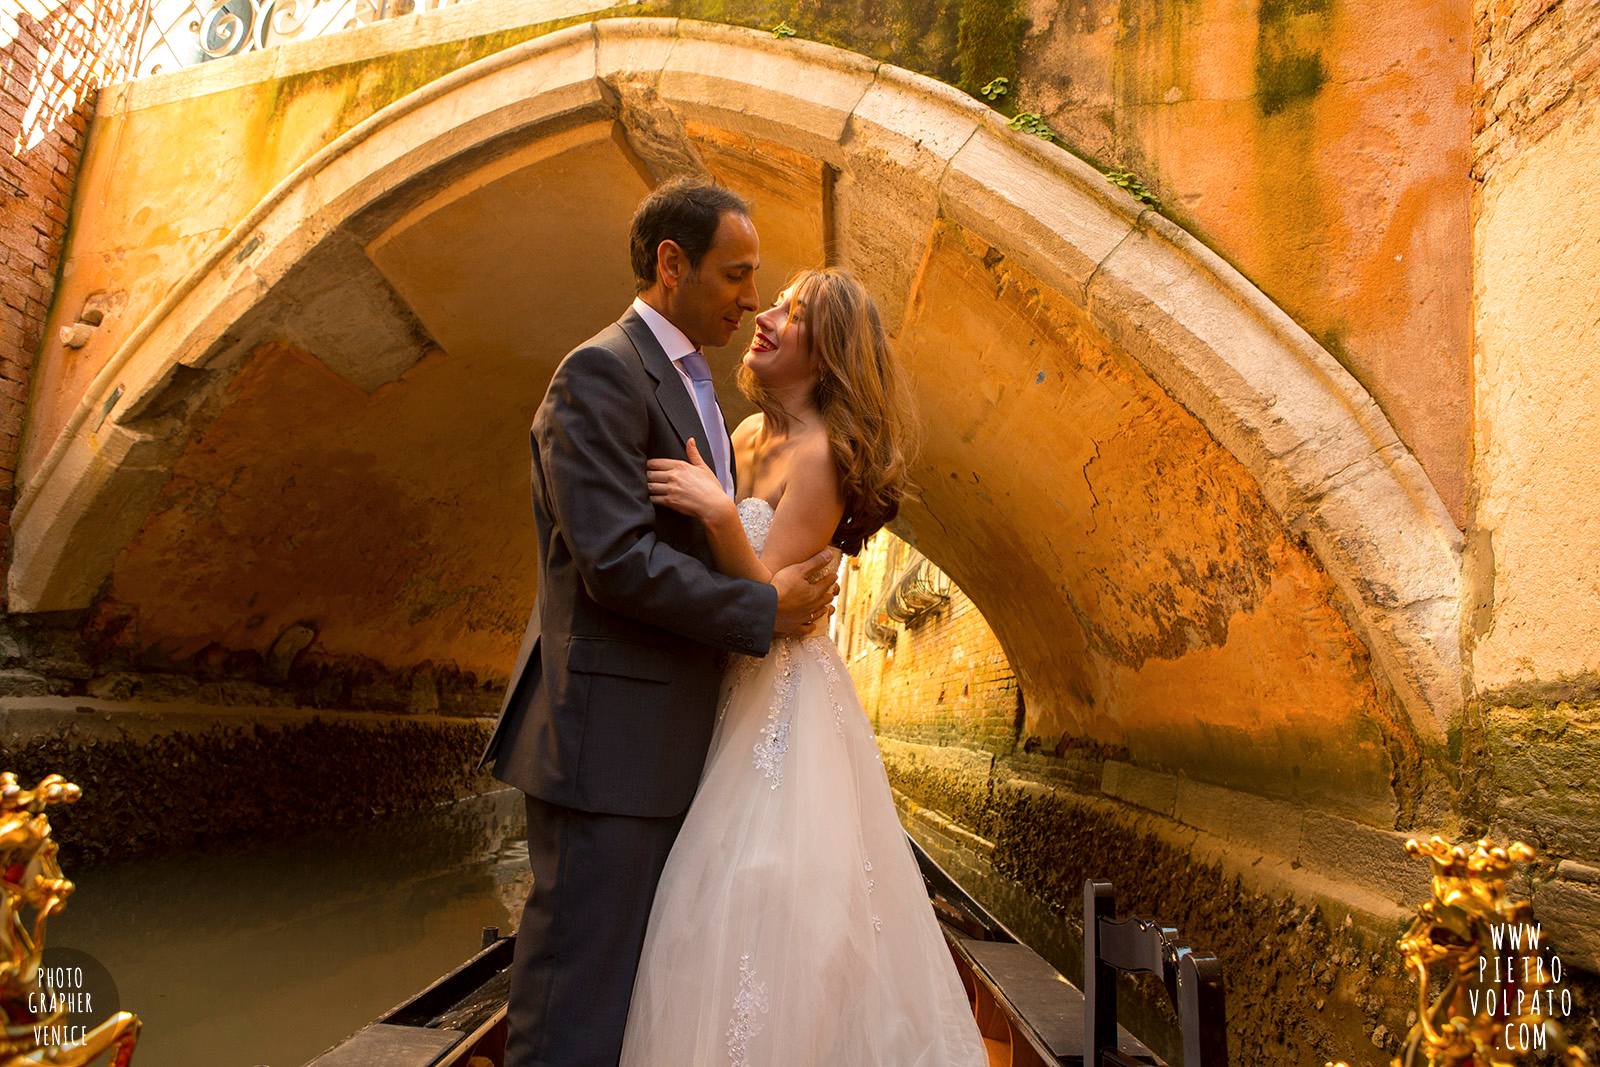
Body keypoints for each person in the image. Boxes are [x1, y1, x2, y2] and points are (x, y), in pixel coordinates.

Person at [474, 178, 843, 1067]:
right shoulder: (601, 371)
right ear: (671, 265)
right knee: (571, 1009)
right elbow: (614, 564)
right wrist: (767, 606)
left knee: (621, 1001)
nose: (752, 297)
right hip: (606, 747)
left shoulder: (697, 386)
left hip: (662, 747)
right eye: (736, 274)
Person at [623, 267, 990, 1065]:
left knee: (762, 885)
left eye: (792, 313)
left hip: (778, 693)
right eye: (776, 301)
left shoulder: (821, 455)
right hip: (712, 685)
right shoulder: (737, 435)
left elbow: (767, 608)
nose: (766, 315)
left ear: (827, 355)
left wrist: (720, 512)